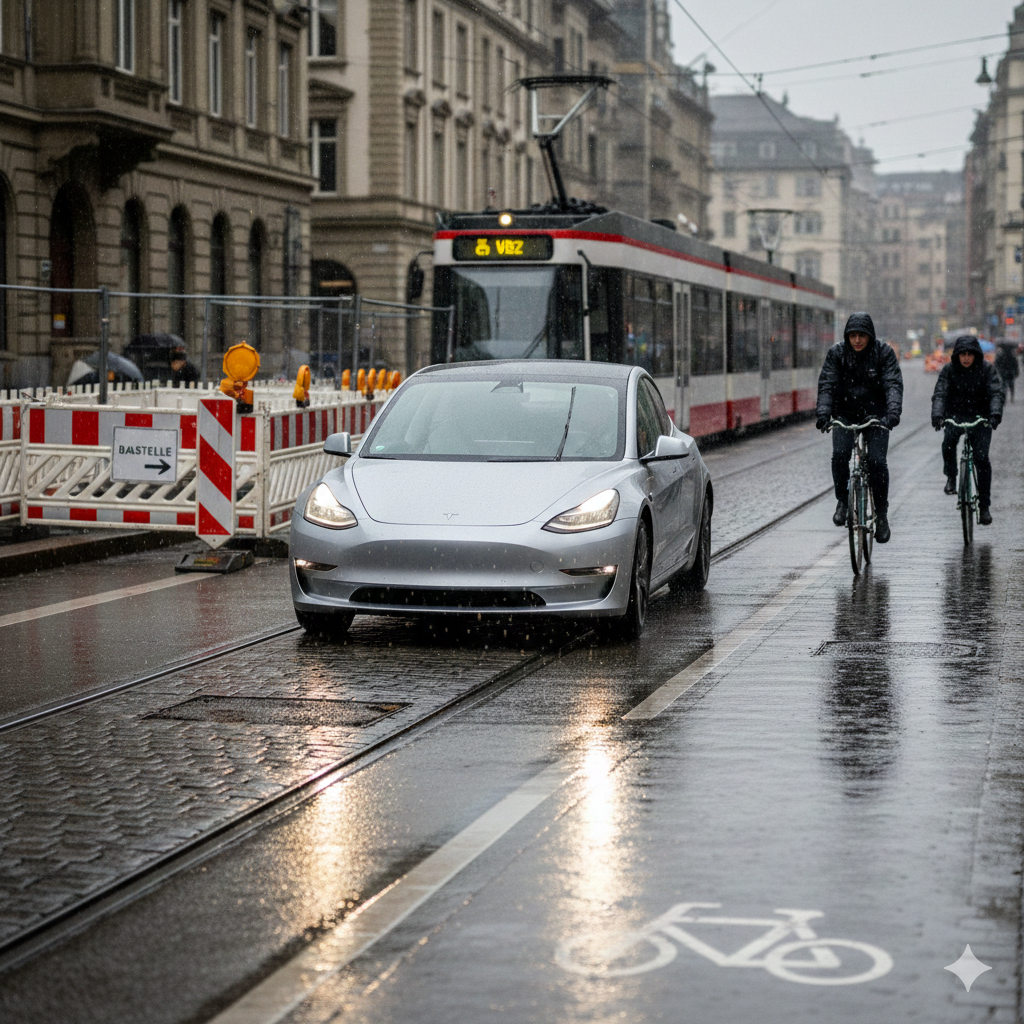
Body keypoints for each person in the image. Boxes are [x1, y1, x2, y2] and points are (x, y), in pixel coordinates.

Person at [815, 312, 903, 544]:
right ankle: (843, 501)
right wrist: (824, 413)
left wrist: (892, 413)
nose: (857, 341)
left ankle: (882, 516)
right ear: (847, 336)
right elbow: (827, 385)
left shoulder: (884, 353)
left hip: (877, 415)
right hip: (845, 413)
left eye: (861, 336)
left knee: (876, 462)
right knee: (840, 454)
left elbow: (893, 383)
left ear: (869, 336)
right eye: (852, 336)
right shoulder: (836, 353)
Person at [930, 334, 1005, 525]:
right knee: (948, 443)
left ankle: (984, 505)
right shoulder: (949, 370)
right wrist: (938, 415)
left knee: (981, 459)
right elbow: (940, 392)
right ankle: (951, 476)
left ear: (976, 355)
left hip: (981, 418)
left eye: (969, 354)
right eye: (962, 354)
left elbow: (996, 392)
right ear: (956, 355)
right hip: (955, 416)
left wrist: (994, 414)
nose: (966, 358)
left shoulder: (987, 369)